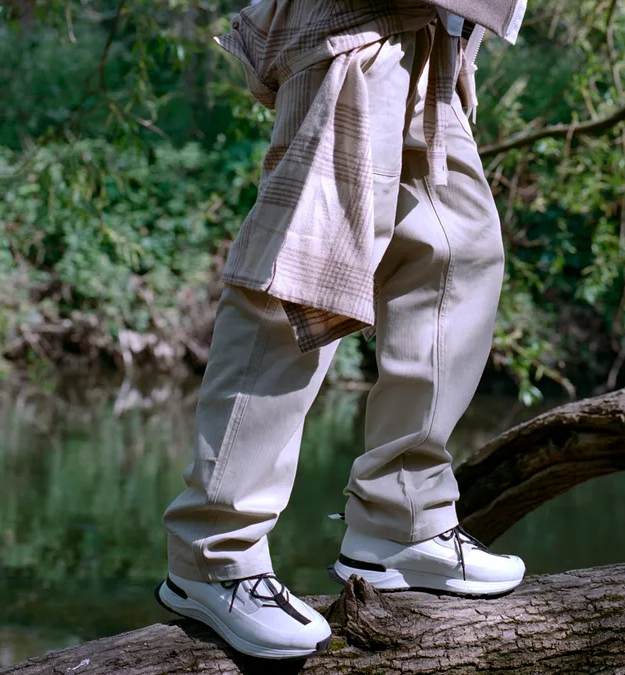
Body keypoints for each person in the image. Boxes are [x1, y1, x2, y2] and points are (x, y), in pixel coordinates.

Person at [155, 0, 529, 660]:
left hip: (432, 31)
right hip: (360, 19)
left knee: (458, 249)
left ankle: (401, 517)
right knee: (301, 272)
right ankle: (214, 549)